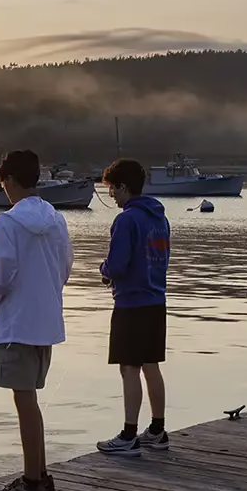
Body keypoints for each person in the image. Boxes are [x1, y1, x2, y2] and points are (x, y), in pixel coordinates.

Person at [0, 149, 74, 491]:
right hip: (46, 323)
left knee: (25, 403)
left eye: (3, 183)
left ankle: (33, 481)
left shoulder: (7, 222)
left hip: (17, 325)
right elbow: (64, 270)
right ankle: (40, 476)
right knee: (30, 401)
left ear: (10, 181)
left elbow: (2, 277)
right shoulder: (57, 220)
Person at [97, 158, 171, 455]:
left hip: (131, 304)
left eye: (112, 188)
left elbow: (116, 265)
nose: (111, 194)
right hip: (156, 301)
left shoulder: (127, 220)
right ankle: (157, 430)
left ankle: (129, 436)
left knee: (129, 368)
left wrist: (103, 270)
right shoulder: (160, 218)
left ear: (124, 187)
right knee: (150, 365)